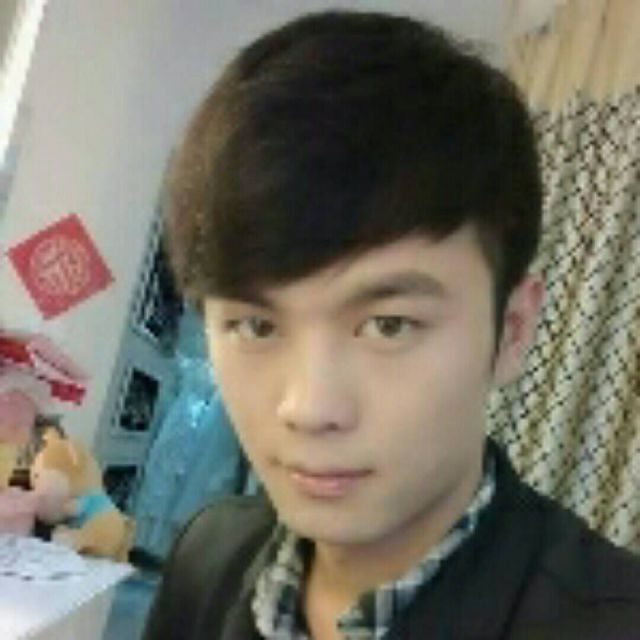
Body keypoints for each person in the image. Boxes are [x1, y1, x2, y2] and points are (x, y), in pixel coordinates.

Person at [143, 10, 640, 640]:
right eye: (256, 327)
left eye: (389, 325)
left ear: (512, 330)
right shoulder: (208, 554)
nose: (310, 409)